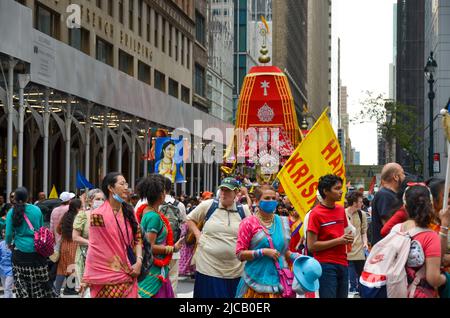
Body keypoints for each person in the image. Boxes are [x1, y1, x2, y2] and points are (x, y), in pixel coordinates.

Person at [187, 177, 251, 298]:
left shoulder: (244, 210)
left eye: (228, 191)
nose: (223, 193)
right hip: (208, 267)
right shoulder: (208, 205)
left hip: (235, 270)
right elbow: (189, 219)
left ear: (236, 193)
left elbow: (252, 231)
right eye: (222, 190)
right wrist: (197, 235)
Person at [83, 173, 143, 298]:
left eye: (126, 183)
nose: (126, 187)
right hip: (106, 276)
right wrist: (88, 276)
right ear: (110, 188)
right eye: (122, 184)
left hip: (130, 272)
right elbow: (96, 247)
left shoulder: (129, 211)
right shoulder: (98, 215)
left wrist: (139, 261)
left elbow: (138, 238)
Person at [235, 185, 296, 298]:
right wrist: (262, 252)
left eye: (274, 198)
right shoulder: (248, 223)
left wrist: (297, 257)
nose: (271, 201)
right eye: (267, 198)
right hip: (255, 284)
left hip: (280, 280)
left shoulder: (283, 221)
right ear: (257, 201)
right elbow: (240, 254)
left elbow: (284, 251)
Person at [137, 174, 183, 298]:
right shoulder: (154, 217)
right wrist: (173, 248)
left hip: (153, 268)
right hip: (153, 270)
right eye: (163, 191)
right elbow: (149, 246)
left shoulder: (147, 212)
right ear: (160, 194)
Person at [307, 175, 353, 298]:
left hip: (343, 262)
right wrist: (339, 240)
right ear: (326, 191)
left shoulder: (340, 209)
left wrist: (348, 239)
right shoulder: (315, 214)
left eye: (341, 188)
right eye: (337, 188)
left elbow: (343, 234)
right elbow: (311, 246)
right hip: (325, 265)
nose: (341, 191)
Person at [5, 187, 55, 298]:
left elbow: (8, 234)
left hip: (20, 252)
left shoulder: (11, 212)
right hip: (37, 252)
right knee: (39, 283)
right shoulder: (36, 210)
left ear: (15, 198)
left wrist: (9, 244)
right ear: (28, 198)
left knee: (21, 283)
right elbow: (41, 228)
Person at [401, 184, 447, 297]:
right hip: (420, 293)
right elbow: (433, 278)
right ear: (430, 204)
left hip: (398, 291)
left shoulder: (397, 229)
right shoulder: (430, 236)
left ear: (405, 206)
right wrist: (446, 278)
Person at [72, 188, 104, 296]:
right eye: (98, 199)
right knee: (85, 291)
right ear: (90, 201)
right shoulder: (83, 215)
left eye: (102, 199)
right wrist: (91, 243)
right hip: (84, 257)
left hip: (102, 258)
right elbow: (75, 237)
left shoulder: (105, 216)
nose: (100, 201)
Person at [159, 179, 187, 296]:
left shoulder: (155, 204)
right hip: (173, 248)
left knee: (157, 279)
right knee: (172, 279)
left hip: (157, 249)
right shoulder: (179, 205)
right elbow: (184, 224)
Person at [370, 163, 405, 245]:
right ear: (396, 177)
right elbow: (388, 226)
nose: (404, 177)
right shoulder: (385, 195)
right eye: (402, 173)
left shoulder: (388, 194)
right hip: (386, 248)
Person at [54, 199, 82, 297]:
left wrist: (64, 234)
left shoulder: (65, 216)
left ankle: (57, 290)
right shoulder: (78, 217)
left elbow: (58, 229)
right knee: (72, 267)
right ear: (77, 208)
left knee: (62, 268)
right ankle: (69, 289)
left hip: (64, 244)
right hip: (74, 245)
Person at [345, 191, 368, 296]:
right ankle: (352, 290)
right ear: (354, 203)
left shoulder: (362, 214)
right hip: (346, 250)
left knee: (361, 276)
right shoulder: (343, 213)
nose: (362, 203)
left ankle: (361, 292)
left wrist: (365, 243)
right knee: (350, 279)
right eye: (360, 201)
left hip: (359, 250)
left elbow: (364, 232)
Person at [0, 228, 14, 298]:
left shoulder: (14, 243)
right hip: (1, 269)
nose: (4, 234)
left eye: (5, 232)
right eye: (3, 232)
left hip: (11, 269)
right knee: (6, 288)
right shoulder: (0, 244)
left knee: (7, 288)